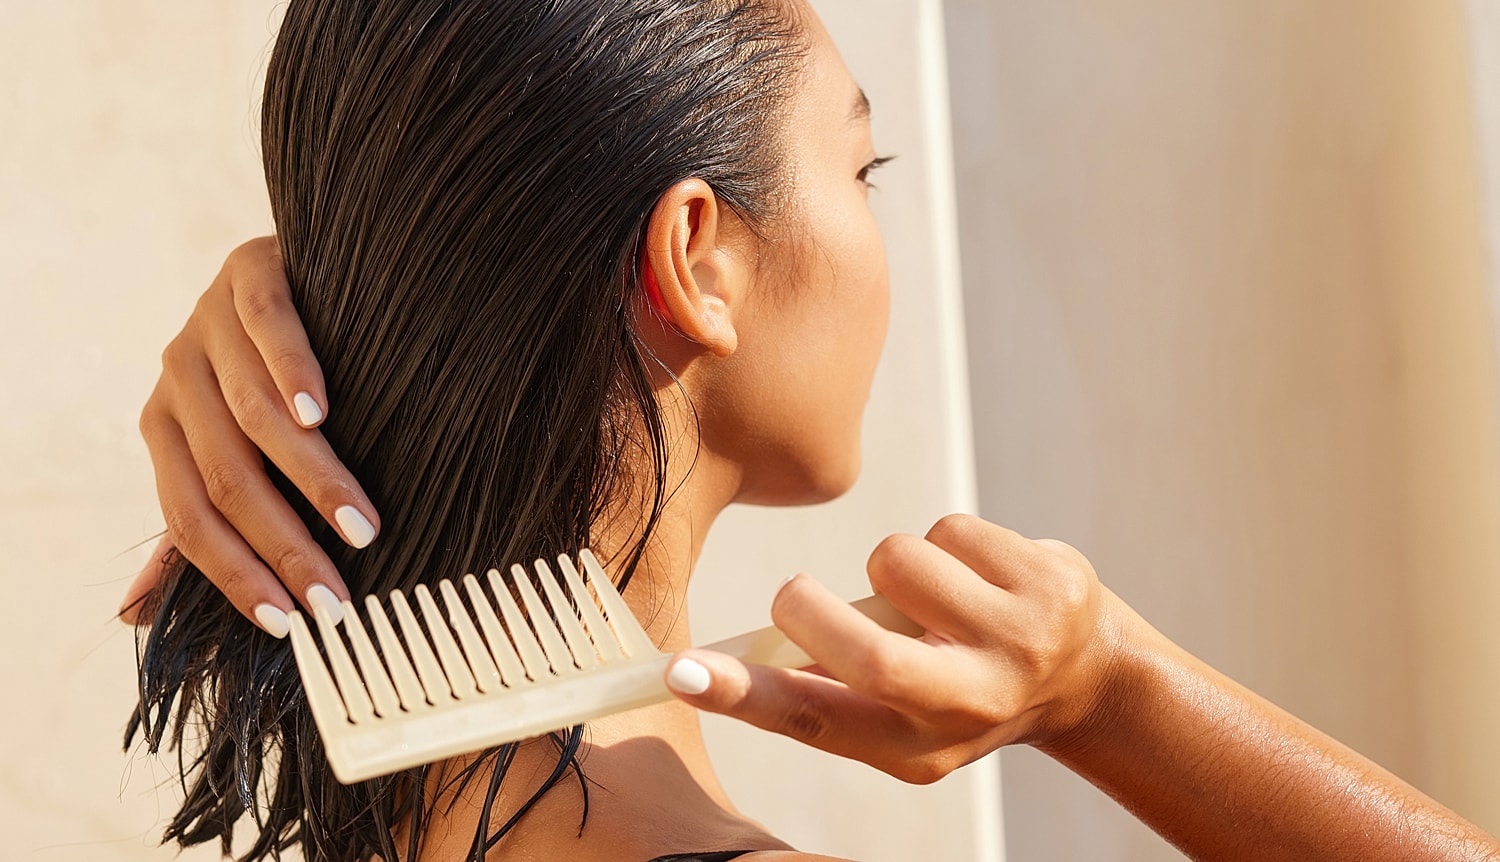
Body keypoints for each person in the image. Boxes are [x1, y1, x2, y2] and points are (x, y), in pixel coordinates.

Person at [121, 4, 1500, 862]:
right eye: (861, 167)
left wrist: (374, 296)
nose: (875, 227)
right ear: (695, 259)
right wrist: (1114, 692)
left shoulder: (388, 823)